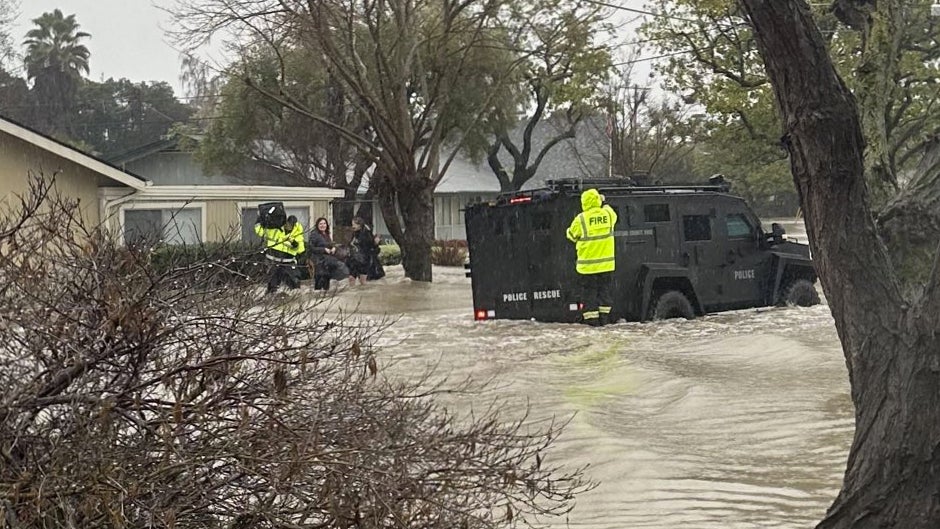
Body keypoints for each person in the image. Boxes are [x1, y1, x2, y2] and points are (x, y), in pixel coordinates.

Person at [565, 188, 618, 326]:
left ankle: (592, 324)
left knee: (589, 296)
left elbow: (571, 235)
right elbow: (611, 211)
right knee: (604, 293)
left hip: (587, 268)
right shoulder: (608, 214)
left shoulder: (581, 219)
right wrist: (603, 201)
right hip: (606, 266)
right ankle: (605, 321)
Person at [255, 215, 305, 295]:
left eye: (291, 225)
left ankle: (295, 300)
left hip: (288, 263)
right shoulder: (275, 230)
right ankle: (270, 298)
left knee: (295, 283)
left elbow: (301, 250)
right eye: (287, 224)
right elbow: (261, 232)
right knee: (272, 285)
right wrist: (259, 221)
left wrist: (294, 244)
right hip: (273, 262)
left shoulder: (297, 234)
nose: (288, 226)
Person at [307, 217, 349, 291]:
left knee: (327, 279)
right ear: (317, 225)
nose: (323, 225)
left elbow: (330, 244)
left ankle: (326, 295)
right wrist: (323, 250)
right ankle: (318, 295)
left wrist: (333, 248)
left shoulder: (326, 234)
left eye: (324, 223)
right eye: (320, 224)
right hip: (318, 261)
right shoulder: (314, 235)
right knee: (320, 280)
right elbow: (311, 248)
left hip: (327, 261)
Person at [347, 216, 379, 286]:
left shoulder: (366, 233)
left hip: (363, 260)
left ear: (359, 225)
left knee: (362, 281)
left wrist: (376, 242)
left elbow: (372, 246)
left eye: (354, 224)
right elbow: (350, 244)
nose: (352, 226)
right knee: (351, 278)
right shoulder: (354, 233)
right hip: (354, 259)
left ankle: (363, 294)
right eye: (352, 224)